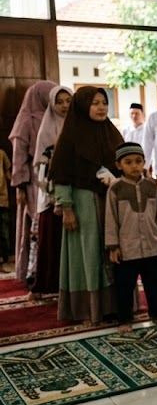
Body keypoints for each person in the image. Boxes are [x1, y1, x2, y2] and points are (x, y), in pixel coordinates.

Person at [50, 87, 123, 324]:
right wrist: (67, 209)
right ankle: (89, 309)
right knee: (88, 253)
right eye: (95, 103)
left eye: (104, 103)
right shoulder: (70, 136)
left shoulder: (112, 133)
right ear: (82, 106)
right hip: (83, 205)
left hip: (110, 201)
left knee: (113, 250)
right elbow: (61, 175)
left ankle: (115, 306)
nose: (102, 108)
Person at [105, 142, 157, 334]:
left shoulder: (151, 186)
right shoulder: (115, 189)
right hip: (127, 248)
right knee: (124, 286)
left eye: (139, 161)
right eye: (128, 162)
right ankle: (124, 320)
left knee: (154, 283)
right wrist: (113, 246)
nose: (134, 166)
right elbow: (111, 219)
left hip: (150, 246)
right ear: (119, 165)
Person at [9, 80, 57, 283]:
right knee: (35, 225)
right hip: (33, 182)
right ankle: (33, 272)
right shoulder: (26, 120)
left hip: (53, 179)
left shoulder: (54, 117)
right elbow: (18, 155)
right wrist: (20, 186)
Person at [33, 85, 73, 295]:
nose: (65, 105)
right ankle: (47, 283)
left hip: (75, 192)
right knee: (51, 239)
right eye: (59, 102)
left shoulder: (78, 125)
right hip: (51, 195)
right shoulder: (46, 129)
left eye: (68, 101)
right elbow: (40, 167)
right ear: (52, 104)